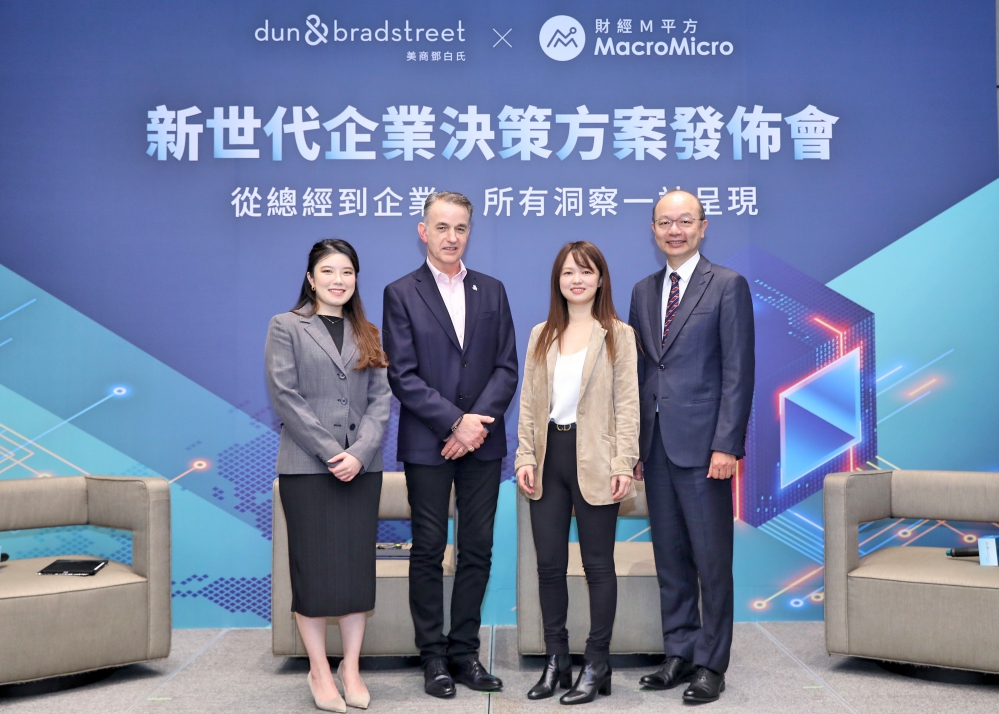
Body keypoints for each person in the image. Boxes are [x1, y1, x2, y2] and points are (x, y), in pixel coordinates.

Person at [382, 191, 518, 698]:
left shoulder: (492, 290)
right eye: (441, 227)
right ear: (424, 231)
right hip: (429, 442)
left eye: (460, 228)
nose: (451, 237)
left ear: (469, 232)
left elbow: (507, 367)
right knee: (428, 548)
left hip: (483, 442)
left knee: (476, 549)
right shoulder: (401, 292)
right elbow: (403, 375)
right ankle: (433, 657)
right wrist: (454, 423)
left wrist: (474, 427)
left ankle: (464, 653)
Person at [628, 190, 755, 704]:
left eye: (684, 221)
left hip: (705, 448)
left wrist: (727, 445)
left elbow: (738, 371)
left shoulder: (727, 284)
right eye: (665, 222)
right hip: (656, 445)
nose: (674, 230)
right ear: (653, 230)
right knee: (671, 557)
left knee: (711, 560)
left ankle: (711, 663)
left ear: (703, 227)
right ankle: (678, 652)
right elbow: (641, 371)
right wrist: (634, 444)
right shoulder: (642, 290)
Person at [266, 239, 391, 712]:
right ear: (310, 277)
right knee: (314, 574)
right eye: (328, 271)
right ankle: (319, 669)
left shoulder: (369, 332)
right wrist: (333, 453)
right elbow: (285, 396)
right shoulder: (286, 326)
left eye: (347, 272)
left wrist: (359, 453)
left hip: (362, 470)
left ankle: (350, 668)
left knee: (355, 573)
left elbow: (381, 400)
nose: (338, 280)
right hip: (307, 469)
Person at [515, 241, 639, 705]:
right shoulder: (541, 334)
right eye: (568, 272)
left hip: (597, 459)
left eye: (586, 272)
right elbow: (529, 403)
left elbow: (628, 405)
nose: (577, 280)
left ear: (601, 279)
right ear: (558, 280)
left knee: (597, 566)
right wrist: (524, 457)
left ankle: (597, 662)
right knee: (548, 567)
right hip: (549, 458)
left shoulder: (618, 334)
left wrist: (623, 462)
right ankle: (557, 661)